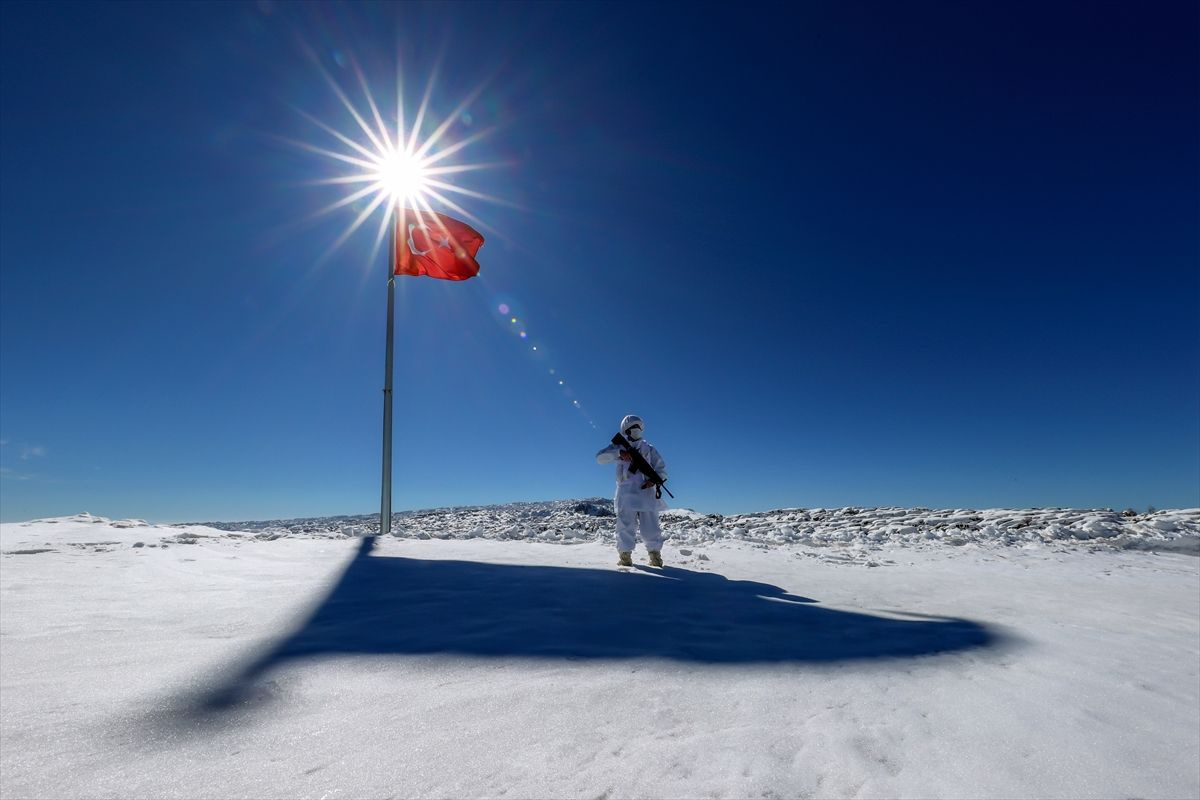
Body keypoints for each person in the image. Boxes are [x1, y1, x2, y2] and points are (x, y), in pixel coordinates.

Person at [596, 414, 669, 567]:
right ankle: (625, 556)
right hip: (626, 493)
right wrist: (619, 454)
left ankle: (655, 556)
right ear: (625, 430)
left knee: (651, 527)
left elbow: (661, 468)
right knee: (625, 526)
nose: (636, 430)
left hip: (646, 493)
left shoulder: (648, 449)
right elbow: (600, 458)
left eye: (639, 427)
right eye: (633, 427)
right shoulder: (619, 447)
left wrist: (654, 480)